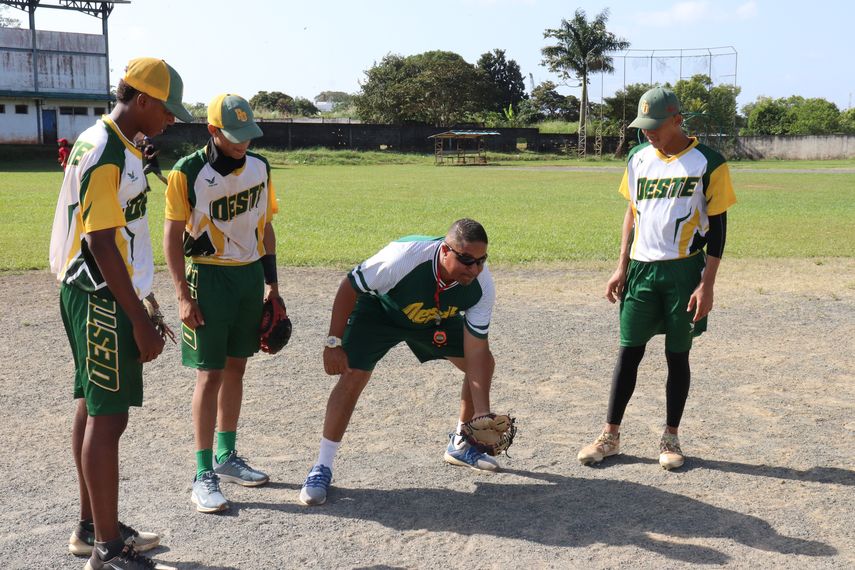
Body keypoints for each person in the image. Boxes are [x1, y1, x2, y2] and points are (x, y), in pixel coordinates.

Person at [49, 57, 193, 570]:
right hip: (100, 295)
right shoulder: (109, 149)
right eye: (168, 110)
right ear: (144, 100)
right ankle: (107, 549)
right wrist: (137, 316)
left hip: (93, 290)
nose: (172, 120)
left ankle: (93, 529)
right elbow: (102, 243)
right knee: (107, 419)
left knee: (92, 407)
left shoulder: (112, 139)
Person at [577, 87, 736, 470]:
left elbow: (718, 229)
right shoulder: (637, 158)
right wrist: (621, 266)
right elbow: (632, 213)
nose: (648, 132)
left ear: (678, 120)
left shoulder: (708, 163)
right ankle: (610, 435)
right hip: (641, 269)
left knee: (677, 355)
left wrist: (707, 283)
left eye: (655, 125)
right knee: (628, 352)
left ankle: (670, 437)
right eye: (643, 125)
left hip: (684, 270)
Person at [299, 218, 501, 507]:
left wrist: (483, 414)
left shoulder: (481, 284)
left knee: (484, 364)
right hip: (380, 311)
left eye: (481, 260)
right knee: (354, 375)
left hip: (432, 317)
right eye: (466, 259)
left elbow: (477, 352)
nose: (474, 269)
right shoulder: (403, 258)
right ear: (445, 251)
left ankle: (460, 443)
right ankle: (322, 467)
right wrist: (333, 342)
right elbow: (349, 285)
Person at [163, 93, 283, 513]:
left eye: (248, 136)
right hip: (208, 278)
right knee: (209, 375)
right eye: (234, 137)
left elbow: (265, 228)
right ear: (213, 131)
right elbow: (171, 236)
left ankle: (227, 457)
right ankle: (202, 473)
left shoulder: (260, 168)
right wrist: (182, 293)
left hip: (248, 276)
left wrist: (272, 286)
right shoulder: (187, 171)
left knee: (237, 367)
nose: (243, 144)